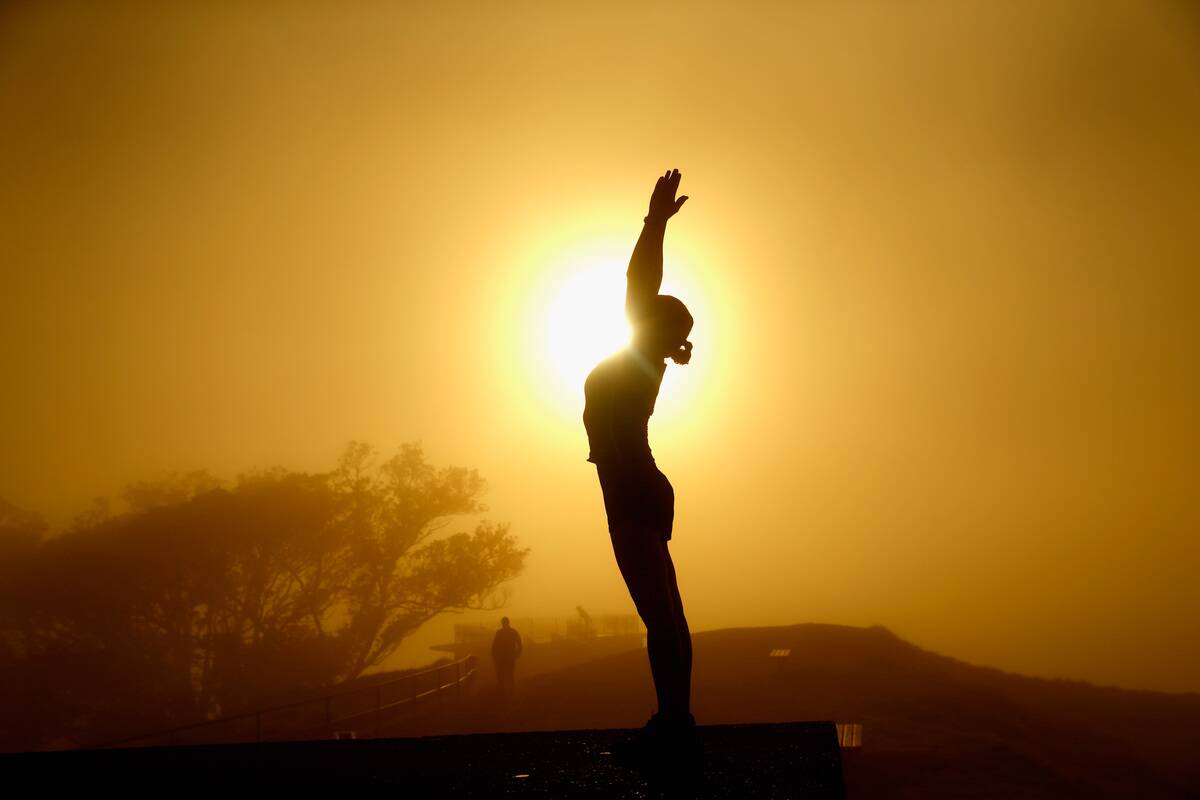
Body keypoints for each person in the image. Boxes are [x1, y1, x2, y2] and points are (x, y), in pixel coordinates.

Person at [582, 168, 698, 756]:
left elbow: (638, 280)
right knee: (668, 612)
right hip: (640, 485)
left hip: (630, 487)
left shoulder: (636, 360)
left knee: (660, 614)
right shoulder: (641, 362)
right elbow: (641, 288)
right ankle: (677, 716)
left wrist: (655, 225)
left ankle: (675, 719)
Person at [491, 616, 522, 695]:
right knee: (509, 672)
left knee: (503, 672)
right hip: (508, 656)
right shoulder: (512, 632)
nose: (503, 624)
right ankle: (508, 688)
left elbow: (494, 645)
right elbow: (519, 643)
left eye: (503, 623)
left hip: (504, 656)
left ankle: (504, 688)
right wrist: (518, 653)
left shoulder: (500, 632)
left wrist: (494, 655)